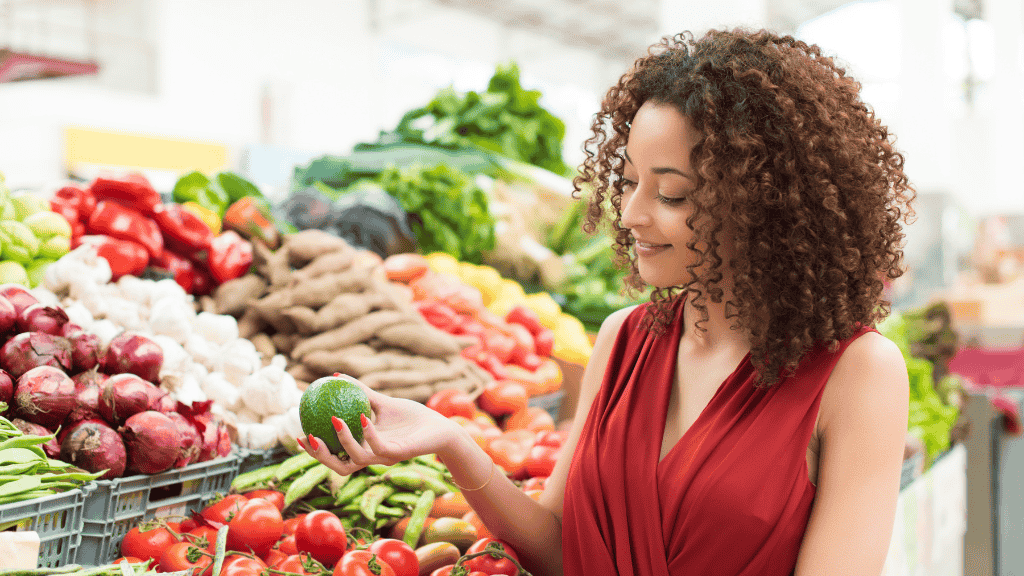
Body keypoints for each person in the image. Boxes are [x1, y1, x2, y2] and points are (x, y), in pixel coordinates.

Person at [299, 27, 914, 576]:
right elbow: (559, 552)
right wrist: (451, 441)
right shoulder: (625, 338)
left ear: (763, 202)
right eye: (626, 183)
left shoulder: (857, 373)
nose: (630, 214)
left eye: (670, 194)